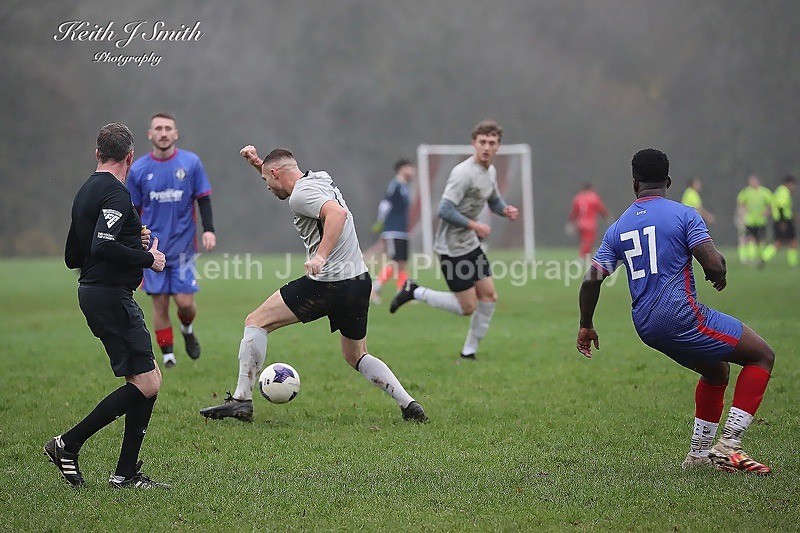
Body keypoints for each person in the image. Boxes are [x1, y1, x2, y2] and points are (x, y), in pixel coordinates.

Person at [577, 148, 774, 474]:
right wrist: (719, 273)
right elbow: (713, 263)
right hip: (681, 316)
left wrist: (586, 324)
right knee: (762, 356)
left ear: (634, 183)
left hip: (646, 325)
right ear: (668, 181)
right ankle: (729, 445)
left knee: (717, 371)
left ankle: (698, 455)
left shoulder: (618, 227)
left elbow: (591, 281)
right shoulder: (684, 214)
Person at [199, 147, 426, 423]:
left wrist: (321, 256)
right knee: (356, 354)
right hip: (358, 282)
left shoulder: (300, 195)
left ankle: (241, 400)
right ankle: (408, 404)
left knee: (256, 322)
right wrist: (259, 164)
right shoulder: (319, 178)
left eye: (267, 180)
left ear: (275, 174)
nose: (267, 187)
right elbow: (285, 180)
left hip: (328, 283)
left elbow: (337, 214)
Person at [46, 123, 170, 488]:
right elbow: (102, 245)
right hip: (111, 296)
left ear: (97, 153)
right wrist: (148, 259)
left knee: (145, 379)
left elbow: (74, 256)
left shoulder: (85, 192)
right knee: (148, 382)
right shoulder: (116, 193)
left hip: (96, 292)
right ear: (130, 157)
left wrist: (131, 240)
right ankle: (67, 444)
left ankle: (125, 473)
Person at [389, 120, 519, 359]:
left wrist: (505, 210)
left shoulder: (489, 171)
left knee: (489, 296)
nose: (487, 147)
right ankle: (415, 291)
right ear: (474, 143)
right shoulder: (462, 173)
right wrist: (475, 225)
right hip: (451, 248)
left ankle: (469, 352)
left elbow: (493, 200)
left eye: (492, 143)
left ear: (498, 146)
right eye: (482, 142)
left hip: (470, 244)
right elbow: (444, 209)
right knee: (467, 307)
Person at [127, 113, 216, 369]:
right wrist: (133, 241)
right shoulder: (139, 170)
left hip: (183, 248)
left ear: (176, 133)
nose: (163, 133)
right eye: (158, 128)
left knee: (185, 303)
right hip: (152, 249)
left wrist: (208, 230)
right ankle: (168, 356)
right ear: (150, 134)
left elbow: (203, 198)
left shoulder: (191, 163)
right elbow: (133, 210)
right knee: (160, 303)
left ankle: (187, 329)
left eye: (168, 128)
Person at [370, 158, 416, 304]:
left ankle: (402, 291)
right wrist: (381, 222)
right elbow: (385, 205)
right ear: (401, 169)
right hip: (393, 231)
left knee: (401, 263)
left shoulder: (404, 187)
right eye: (410, 167)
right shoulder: (395, 185)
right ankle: (374, 289)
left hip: (402, 231)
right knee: (396, 262)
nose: (412, 171)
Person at [736, 176, 772, 266]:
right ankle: (752, 258)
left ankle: (761, 257)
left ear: (758, 181)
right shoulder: (746, 192)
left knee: (761, 240)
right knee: (750, 239)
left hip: (761, 220)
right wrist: (743, 212)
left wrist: (767, 211)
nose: (753, 183)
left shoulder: (764, 192)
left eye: (754, 181)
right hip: (750, 220)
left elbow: (770, 203)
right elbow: (740, 202)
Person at [761, 175, 797, 266]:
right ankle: (793, 263)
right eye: (793, 184)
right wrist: (783, 222)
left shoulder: (779, 190)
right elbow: (781, 207)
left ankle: (764, 257)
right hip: (783, 220)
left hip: (780, 220)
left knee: (779, 242)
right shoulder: (784, 191)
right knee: (791, 242)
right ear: (789, 183)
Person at [568, 183, 609, 258]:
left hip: (579, 224)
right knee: (588, 242)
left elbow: (574, 212)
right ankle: (582, 257)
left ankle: (588, 257)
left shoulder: (578, 197)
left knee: (584, 241)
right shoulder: (594, 197)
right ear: (591, 188)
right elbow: (601, 209)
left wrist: (571, 223)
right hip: (590, 224)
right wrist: (607, 217)